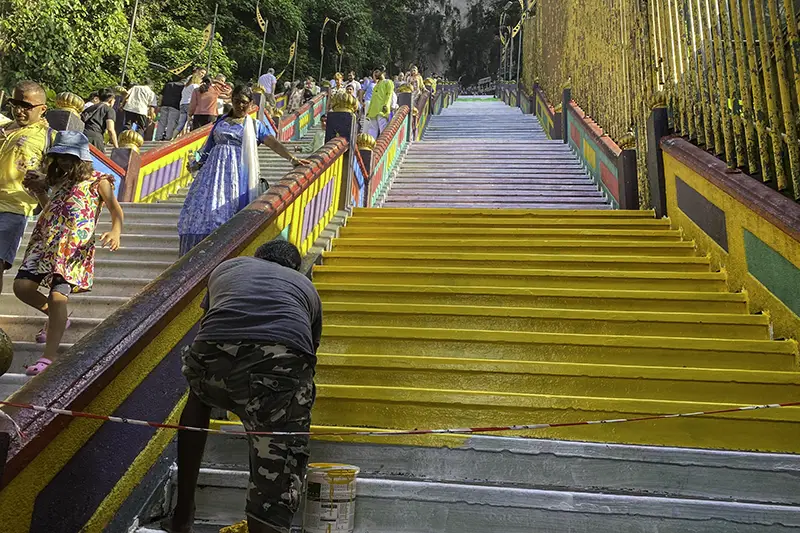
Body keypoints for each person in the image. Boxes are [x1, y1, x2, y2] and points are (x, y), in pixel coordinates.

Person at [161, 239, 321, 533]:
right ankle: (267, 521)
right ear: (296, 268)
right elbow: (308, 354)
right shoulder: (304, 285)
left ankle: (183, 512)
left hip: (212, 356)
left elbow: (212, 323)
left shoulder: (229, 267)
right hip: (278, 364)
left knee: (198, 396)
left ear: (257, 256)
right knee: (282, 437)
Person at [14, 131, 123, 376]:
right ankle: (57, 318)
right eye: (60, 157)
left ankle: (48, 357)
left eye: (69, 157)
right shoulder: (59, 181)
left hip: (73, 248)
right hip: (46, 244)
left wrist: (115, 231)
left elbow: (116, 210)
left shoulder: (98, 180)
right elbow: (49, 210)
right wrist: (39, 190)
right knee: (22, 287)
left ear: (81, 158)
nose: (63, 162)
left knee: (58, 297)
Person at [177, 85, 310, 255]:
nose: (241, 106)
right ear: (231, 101)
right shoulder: (221, 121)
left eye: (245, 103)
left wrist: (292, 158)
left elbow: (273, 143)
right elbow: (208, 147)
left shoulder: (255, 126)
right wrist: (196, 163)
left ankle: (225, 250)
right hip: (212, 174)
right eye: (237, 101)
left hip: (237, 174)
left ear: (251, 104)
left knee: (227, 211)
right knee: (201, 210)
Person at [0, 80, 53, 298]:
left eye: (26, 106)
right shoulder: (4, 130)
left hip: (15, 206)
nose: (19, 110)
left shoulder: (49, 137)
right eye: (15, 104)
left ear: (42, 109)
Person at [175, 67, 206, 138]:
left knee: (181, 123)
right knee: (189, 123)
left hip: (182, 104)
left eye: (204, 74)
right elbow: (197, 95)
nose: (202, 75)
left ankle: (173, 138)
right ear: (197, 71)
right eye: (202, 72)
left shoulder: (186, 86)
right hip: (189, 104)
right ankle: (185, 138)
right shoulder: (195, 86)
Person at [366, 67, 394, 138]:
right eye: (374, 72)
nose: (375, 74)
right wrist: (369, 111)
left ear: (383, 72)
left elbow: (389, 95)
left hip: (382, 109)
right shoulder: (376, 85)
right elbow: (372, 99)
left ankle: (383, 147)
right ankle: (371, 147)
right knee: (372, 130)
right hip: (373, 110)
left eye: (377, 72)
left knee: (383, 128)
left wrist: (386, 105)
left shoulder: (388, 82)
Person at [156, 76, 185, 141]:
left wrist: (159, 105)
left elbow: (161, 95)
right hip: (175, 106)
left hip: (164, 104)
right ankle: (168, 137)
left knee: (162, 122)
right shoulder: (183, 87)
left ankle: (158, 136)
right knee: (171, 122)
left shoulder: (168, 84)